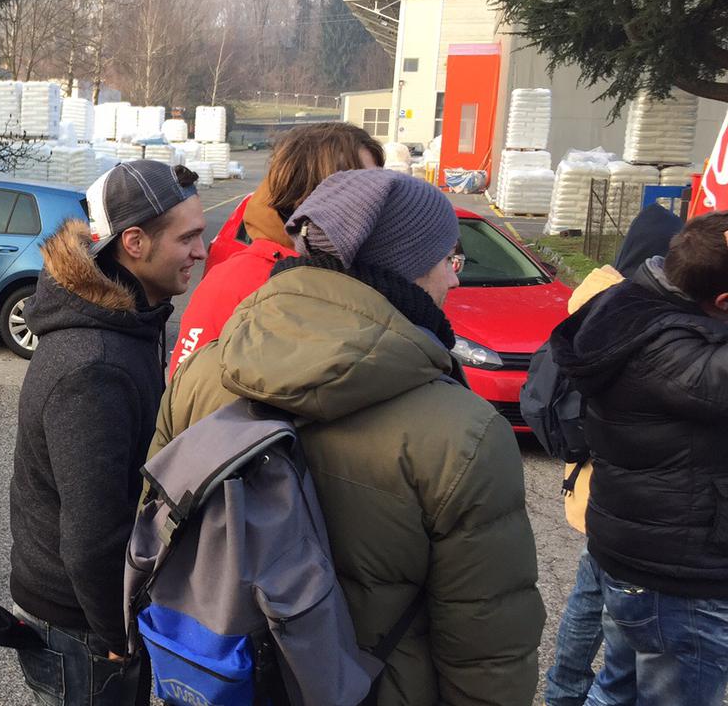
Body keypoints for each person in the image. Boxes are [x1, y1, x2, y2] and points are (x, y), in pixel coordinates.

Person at [152, 168, 544, 705]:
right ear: (406, 270)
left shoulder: (199, 374)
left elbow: (157, 534)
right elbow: (486, 653)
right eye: (448, 260)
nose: (454, 279)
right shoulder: (465, 434)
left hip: (227, 680)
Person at [9, 160, 206, 706]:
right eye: (188, 238)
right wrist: (117, 637)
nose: (201, 251)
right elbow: (92, 530)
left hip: (89, 610)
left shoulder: (131, 319)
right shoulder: (94, 363)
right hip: (83, 625)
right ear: (135, 242)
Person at [549, 211, 728, 706]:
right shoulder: (680, 357)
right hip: (677, 576)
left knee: (616, 689)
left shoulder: (640, 303)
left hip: (641, 556)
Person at [539, 203, 682, 706]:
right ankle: (582, 693)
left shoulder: (593, 295)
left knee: (588, 598)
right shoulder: (634, 311)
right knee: (616, 617)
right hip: (619, 489)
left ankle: (563, 689)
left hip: (587, 481)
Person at [170, 121, 383, 374]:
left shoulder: (367, 268)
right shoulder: (237, 282)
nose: (380, 201)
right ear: (309, 191)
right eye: (365, 188)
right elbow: (189, 396)